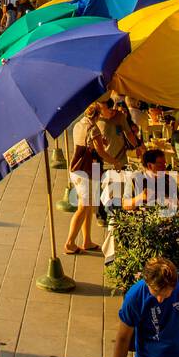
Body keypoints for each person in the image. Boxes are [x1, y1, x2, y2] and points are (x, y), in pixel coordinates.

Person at [64, 103, 119, 254]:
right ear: (97, 115)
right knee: (83, 207)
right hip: (86, 171)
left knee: (88, 206)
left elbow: (87, 144)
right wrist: (116, 162)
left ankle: (87, 240)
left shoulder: (78, 125)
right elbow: (101, 153)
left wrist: (98, 143)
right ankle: (69, 243)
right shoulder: (93, 129)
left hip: (77, 168)